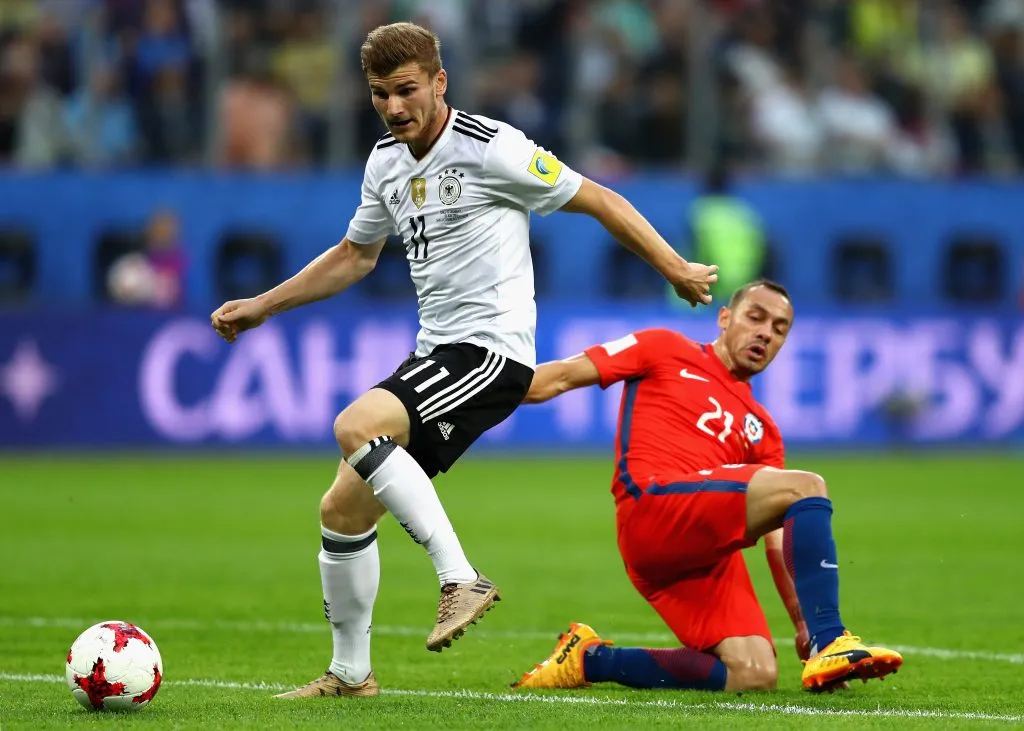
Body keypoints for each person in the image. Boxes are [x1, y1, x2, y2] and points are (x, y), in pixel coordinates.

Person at [209, 22, 718, 699]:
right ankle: (351, 674)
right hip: (438, 354)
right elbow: (355, 255)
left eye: (407, 90)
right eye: (380, 94)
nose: (394, 107)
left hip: (490, 352)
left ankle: (459, 577)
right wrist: (265, 304)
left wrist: (675, 266)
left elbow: (598, 198)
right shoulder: (385, 162)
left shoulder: (491, 147)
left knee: (358, 425)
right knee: (343, 510)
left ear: (440, 82)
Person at [512, 280, 902, 693]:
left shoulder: (763, 430)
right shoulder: (663, 348)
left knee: (753, 673)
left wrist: (802, 625)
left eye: (780, 328)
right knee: (808, 486)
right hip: (652, 510)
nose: (766, 333)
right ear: (724, 318)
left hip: (702, 548)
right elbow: (560, 377)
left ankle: (588, 660)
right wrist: (480, 390)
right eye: (756, 317)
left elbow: (776, 539)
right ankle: (833, 638)